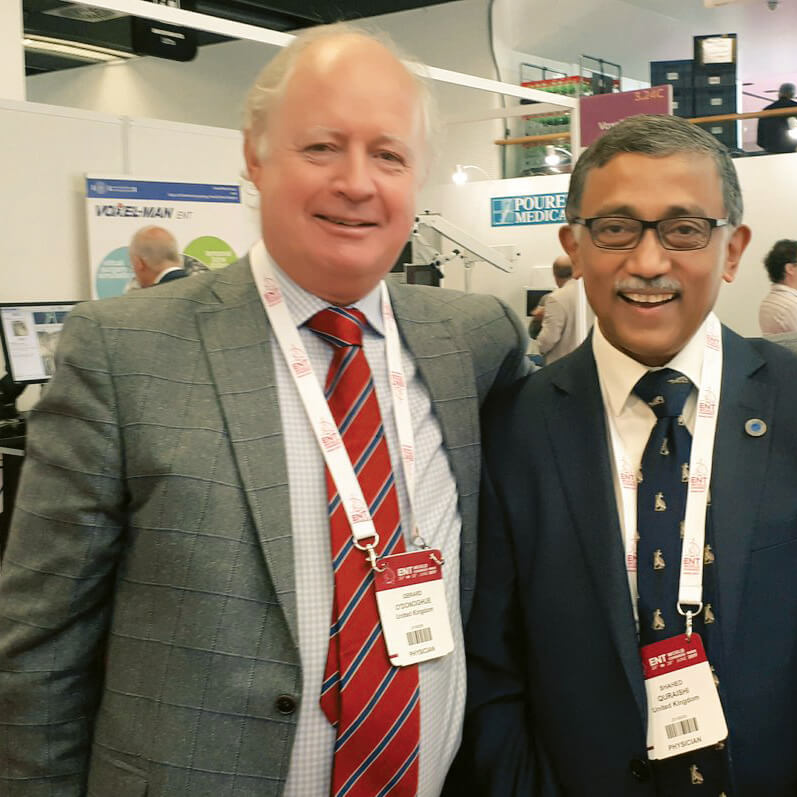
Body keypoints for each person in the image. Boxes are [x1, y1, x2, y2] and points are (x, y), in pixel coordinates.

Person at [0, 26, 529, 797]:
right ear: (254, 156)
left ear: (417, 177)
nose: (357, 182)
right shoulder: (124, 349)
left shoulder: (476, 341)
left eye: (388, 154)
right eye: (322, 147)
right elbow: (39, 646)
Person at [460, 114, 797, 796]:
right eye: (616, 228)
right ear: (576, 246)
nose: (649, 262)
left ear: (732, 251)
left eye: (684, 230)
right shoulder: (514, 427)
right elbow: (491, 671)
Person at [535, 255, 590, 364]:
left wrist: (537, 347)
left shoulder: (556, 298)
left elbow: (548, 339)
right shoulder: (591, 293)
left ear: (555, 275)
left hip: (563, 364)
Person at [528, 256, 573, 339]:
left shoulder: (548, 299)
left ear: (554, 276)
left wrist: (538, 319)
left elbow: (534, 334)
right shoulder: (589, 298)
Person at [756, 82, 797, 154]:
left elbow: (760, 140)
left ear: (779, 93)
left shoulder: (767, 110)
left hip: (771, 150)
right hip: (793, 149)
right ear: (793, 94)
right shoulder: (796, 107)